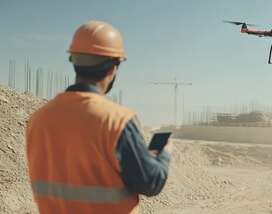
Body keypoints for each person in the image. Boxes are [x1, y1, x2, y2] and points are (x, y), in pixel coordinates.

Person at [26, 21, 172, 214]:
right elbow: (150, 182)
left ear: (75, 62)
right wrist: (165, 154)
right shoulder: (117, 120)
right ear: (113, 68)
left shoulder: (38, 119)